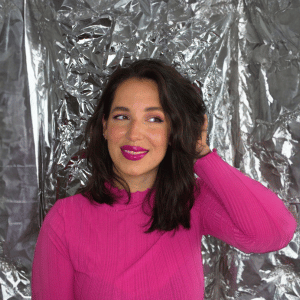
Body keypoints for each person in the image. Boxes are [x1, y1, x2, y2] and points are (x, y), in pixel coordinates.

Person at [31, 59, 297, 299]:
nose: (134, 133)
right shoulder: (65, 220)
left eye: (154, 119)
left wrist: (201, 156)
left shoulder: (191, 201)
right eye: (122, 116)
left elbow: (274, 232)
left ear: (173, 130)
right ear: (104, 126)